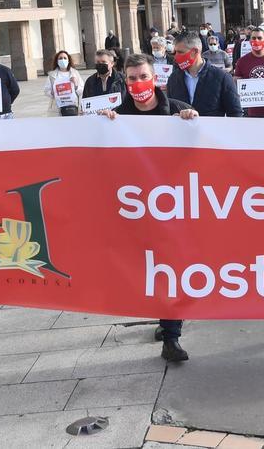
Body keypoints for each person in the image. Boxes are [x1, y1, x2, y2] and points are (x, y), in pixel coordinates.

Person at [100, 55, 199, 362]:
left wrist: (193, 122)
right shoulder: (118, 118)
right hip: (137, 209)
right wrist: (101, 126)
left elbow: (205, 152)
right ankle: (164, 318)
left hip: (174, 207)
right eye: (131, 78)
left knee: (172, 268)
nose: (137, 83)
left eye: (143, 76)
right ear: (124, 81)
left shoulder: (179, 109)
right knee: (150, 269)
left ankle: (171, 336)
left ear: (155, 78)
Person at [167, 34, 241, 117]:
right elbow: (169, 109)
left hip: (212, 129)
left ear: (194, 52)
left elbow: (235, 113)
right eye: (175, 52)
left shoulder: (222, 77)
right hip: (182, 129)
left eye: (180, 52)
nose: (176, 57)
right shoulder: (173, 79)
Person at [44, 50, 84, 116]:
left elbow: (82, 90)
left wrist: (76, 85)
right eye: (60, 58)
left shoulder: (75, 73)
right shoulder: (52, 75)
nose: (63, 60)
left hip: (73, 107)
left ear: (68, 61)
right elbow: (46, 90)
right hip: (56, 108)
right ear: (57, 61)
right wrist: (51, 92)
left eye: (65, 58)